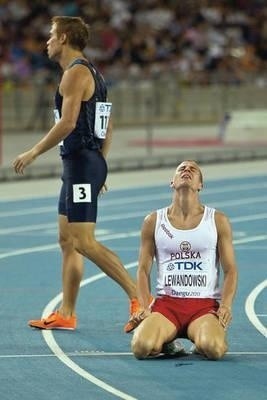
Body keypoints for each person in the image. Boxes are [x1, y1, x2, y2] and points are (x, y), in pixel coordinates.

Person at [12, 16, 144, 333]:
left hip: (82, 164)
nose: (47, 41)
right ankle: (67, 313)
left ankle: (140, 300)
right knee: (66, 240)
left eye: (51, 35)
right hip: (81, 165)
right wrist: (100, 164)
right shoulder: (92, 73)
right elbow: (107, 125)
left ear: (66, 38)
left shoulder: (75, 75)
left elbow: (68, 123)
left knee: (84, 242)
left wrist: (33, 152)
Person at [131, 160, 238, 360]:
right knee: (141, 348)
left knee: (214, 349)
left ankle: (201, 340)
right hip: (167, 306)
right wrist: (145, 307)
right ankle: (167, 341)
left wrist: (226, 306)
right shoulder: (154, 221)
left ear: (200, 185)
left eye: (193, 169)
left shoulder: (217, 221)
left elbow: (230, 270)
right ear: (172, 182)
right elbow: (143, 270)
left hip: (204, 306)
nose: (187, 170)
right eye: (181, 169)